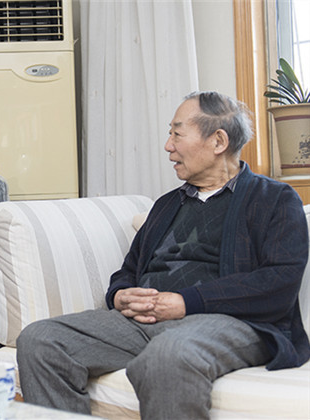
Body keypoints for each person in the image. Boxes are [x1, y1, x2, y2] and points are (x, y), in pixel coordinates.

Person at [16, 91, 310, 419]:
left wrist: (186, 302)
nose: (168, 146)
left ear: (218, 141)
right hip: (144, 322)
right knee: (41, 340)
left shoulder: (275, 199)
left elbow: (279, 283)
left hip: (230, 322)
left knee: (168, 354)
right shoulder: (167, 204)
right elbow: (128, 270)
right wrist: (120, 295)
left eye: (177, 134)